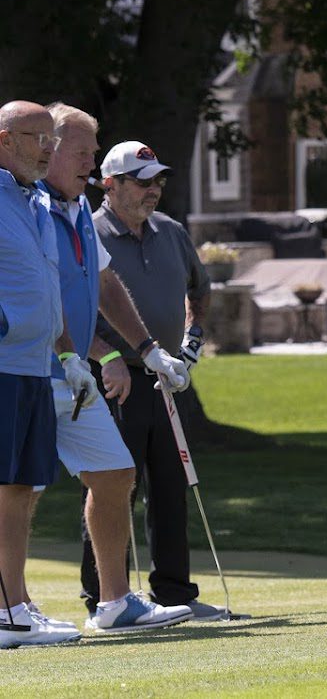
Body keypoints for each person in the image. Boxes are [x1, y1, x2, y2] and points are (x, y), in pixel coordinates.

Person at [38, 104, 193, 633]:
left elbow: (104, 285)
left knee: (115, 474)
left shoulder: (78, 209)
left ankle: (115, 603)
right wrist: (95, 354)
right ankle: (12, 610)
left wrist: (148, 350)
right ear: (49, 148)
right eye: (81, 152)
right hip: (32, 367)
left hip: (74, 375)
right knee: (19, 488)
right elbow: (41, 295)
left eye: (92, 151)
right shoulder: (29, 206)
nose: (89, 161)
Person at [85, 140, 220, 619]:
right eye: (142, 181)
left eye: (158, 180)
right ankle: (104, 597)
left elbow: (199, 292)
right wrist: (106, 356)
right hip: (113, 377)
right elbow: (73, 306)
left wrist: (191, 343)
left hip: (167, 377)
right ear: (110, 184)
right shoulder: (88, 231)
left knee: (170, 486)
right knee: (112, 487)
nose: (154, 189)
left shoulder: (171, 232)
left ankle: (174, 594)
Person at [0, 101, 79, 647]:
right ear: (4, 139)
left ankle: (16, 604)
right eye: (38, 138)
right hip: (4, 363)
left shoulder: (37, 199)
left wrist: (67, 354)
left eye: (53, 139)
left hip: (33, 364)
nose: (49, 149)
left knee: (21, 487)